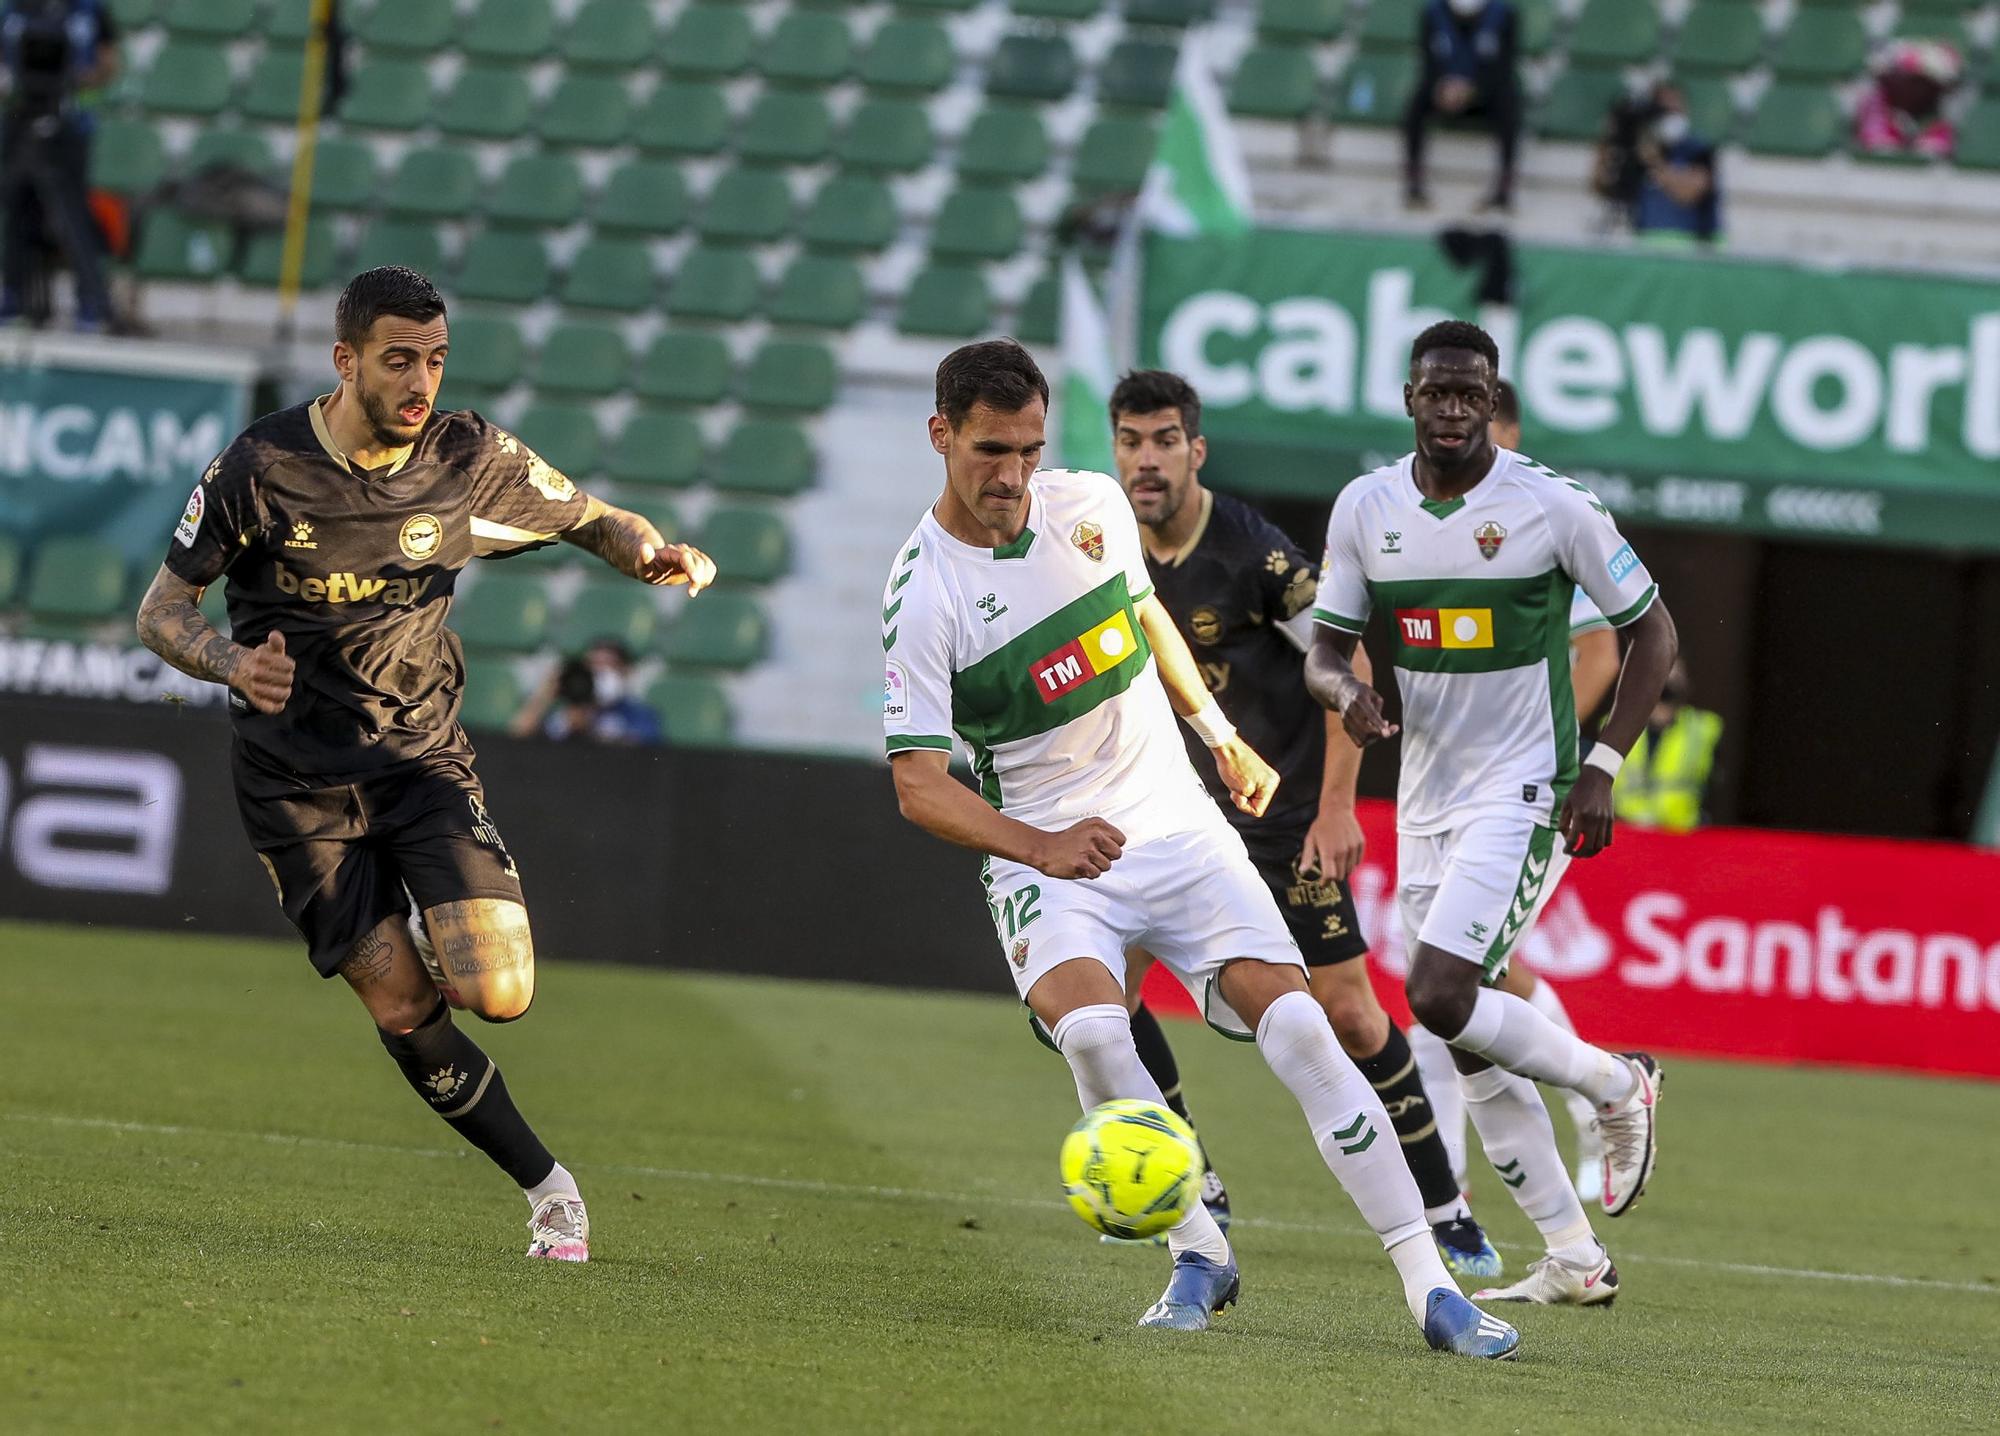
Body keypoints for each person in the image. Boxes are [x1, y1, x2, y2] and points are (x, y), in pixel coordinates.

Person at [882, 339, 1518, 1357]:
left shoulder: (1087, 505)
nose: (1009, 477)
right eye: (988, 451)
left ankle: (1430, 1284)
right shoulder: (922, 592)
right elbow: (917, 785)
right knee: (1091, 1030)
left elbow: (1140, 615)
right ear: (940, 435)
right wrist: (1039, 846)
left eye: (1027, 450)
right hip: (1046, 851)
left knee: (1308, 1030)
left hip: (1172, 818)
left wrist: (1220, 739)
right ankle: (1197, 1245)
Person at [132, 266, 717, 1264]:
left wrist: (649, 551)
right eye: (399, 360)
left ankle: (434, 922)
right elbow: (160, 611)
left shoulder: (465, 452)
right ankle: (549, 1187)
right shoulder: (259, 466)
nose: (420, 382)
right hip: (294, 788)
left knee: (497, 991)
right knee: (404, 1004)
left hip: (418, 759)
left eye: (435, 359)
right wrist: (232, 660)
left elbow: (585, 515)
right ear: (346, 359)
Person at [1305, 319, 1679, 1307]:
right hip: (1424, 798)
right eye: (1437, 390)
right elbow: (1324, 649)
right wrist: (1347, 695)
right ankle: (1572, 1253)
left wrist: (1599, 764)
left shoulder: (1548, 505)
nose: (1453, 407)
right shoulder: (1365, 507)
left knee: (1435, 992)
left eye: (1471, 391)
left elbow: (1653, 628)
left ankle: (1614, 1080)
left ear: (1492, 396)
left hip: (1523, 789)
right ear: (1409, 397)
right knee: (1466, 1043)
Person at [1104, 368, 1502, 1281]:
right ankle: (1191, 1181)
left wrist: (1335, 807)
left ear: (1195, 451)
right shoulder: (1103, 542)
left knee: (1354, 1017)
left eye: (1166, 440)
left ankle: (1447, 1213)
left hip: (1282, 820)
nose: (1148, 459)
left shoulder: (1252, 551)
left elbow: (1344, 658)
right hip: (1167, 817)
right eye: (1132, 441)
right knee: (1109, 999)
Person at [1408, 375, 1621, 1206]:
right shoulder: (1426, 521)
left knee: (1452, 983)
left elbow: (1604, 651)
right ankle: (1452, 1192)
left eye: (1485, 417)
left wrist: (1550, 747)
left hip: (1530, 790)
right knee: (1458, 983)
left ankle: (1599, 1106)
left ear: (1511, 428)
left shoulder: (1546, 517)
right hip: (1448, 789)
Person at [0, 0, 119, 327]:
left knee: (71, 214)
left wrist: (74, 79)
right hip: (18, 117)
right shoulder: (14, 9)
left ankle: (92, 300)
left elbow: (108, 63)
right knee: (17, 206)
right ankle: (14, 293)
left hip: (67, 122)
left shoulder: (89, 10)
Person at [1403, 0, 1520, 213]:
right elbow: (1427, 63)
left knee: (1508, 100)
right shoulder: (1432, 13)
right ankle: (1414, 184)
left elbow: (1504, 68)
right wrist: (1443, 87)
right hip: (1444, 93)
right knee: (1415, 101)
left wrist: (1472, 90)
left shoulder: (1504, 14)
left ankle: (1504, 189)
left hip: (1483, 95)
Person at [1613, 659, 1721, 833]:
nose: (1665, 689)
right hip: (1626, 836)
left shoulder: (1704, 728)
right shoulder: (1614, 727)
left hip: (1680, 838)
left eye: (1671, 685)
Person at [510, 639, 664, 744]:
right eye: (593, 665)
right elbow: (518, 735)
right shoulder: (565, 712)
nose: (599, 671)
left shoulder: (639, 714)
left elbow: (643, 752)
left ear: (626, 672)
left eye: (608, 665)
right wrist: (546, 694)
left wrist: (589, 729)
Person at [1854, 40, 1960, 160]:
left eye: (1920, 81)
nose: (1908, 88)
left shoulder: (1940, 113)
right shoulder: (1877, 106)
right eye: (1897, 77)